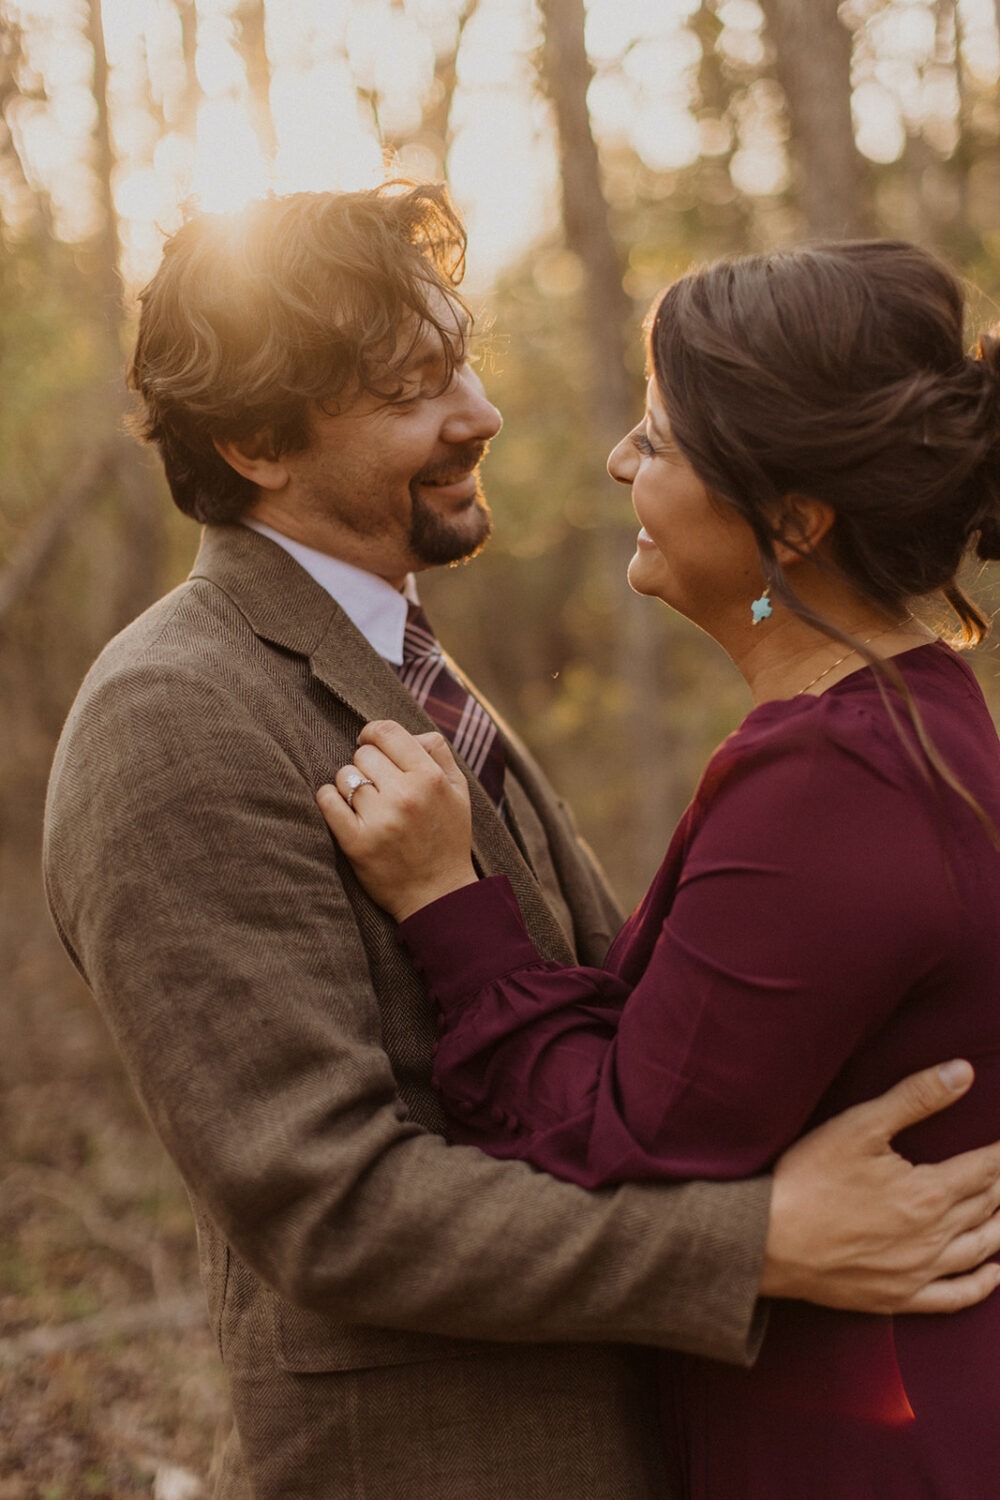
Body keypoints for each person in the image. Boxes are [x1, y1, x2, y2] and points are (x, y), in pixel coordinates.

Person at [42, 190, 1000, 1500]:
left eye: (464, 357)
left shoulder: (417, 672)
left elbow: (629, 1042)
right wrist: (752, 1244)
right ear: (260, 440)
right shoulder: (174, 720)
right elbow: (333, 1207)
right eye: (414, 389)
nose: (483, 412)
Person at [321, 239, 1000, 1498]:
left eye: (660, 443)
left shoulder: (835, 779)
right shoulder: (907, 717)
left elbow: (620, 1138)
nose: (621, 463)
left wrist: (443, 902)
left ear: (793, 521)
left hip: (865, 1447)